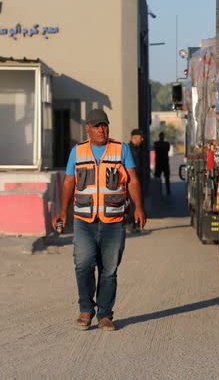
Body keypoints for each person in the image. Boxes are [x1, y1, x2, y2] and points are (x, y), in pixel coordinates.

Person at [52, 108, 146, 331]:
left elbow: (132, 180)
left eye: (104, 125)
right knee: (83, 264)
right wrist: (63, 212)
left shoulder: (121, 149)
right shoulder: (77, 151)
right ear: (88, 129)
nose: (101, 129)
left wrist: (139, 208)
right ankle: (86, 309)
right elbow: (68, 182)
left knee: (109, 270)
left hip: (113, 221)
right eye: (96, 126)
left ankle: (105, 314)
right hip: (84, 220)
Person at [153, 131, 171, 195]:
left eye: (162, 136)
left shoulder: (165, 144)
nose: (162, 137)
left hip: (164, 163)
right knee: (157, 178)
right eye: (161, 136)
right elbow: (156, 148)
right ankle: (158, 191)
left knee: (167, 178)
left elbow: (167, 149)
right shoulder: (157, 143)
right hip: (159, 163)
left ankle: (168, 191)